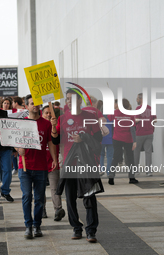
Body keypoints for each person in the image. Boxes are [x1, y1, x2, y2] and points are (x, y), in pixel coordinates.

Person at [51, 89, 103, 243]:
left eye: (72, 99)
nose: (68, 102)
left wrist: (84, 138)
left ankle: (91, 231)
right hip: (69, 164)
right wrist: (53, 128)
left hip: (87, 163)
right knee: (70, 198)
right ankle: (76, 228)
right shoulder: (62, 118)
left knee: (90, 197)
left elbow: (98, 138)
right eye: (67, 99)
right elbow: (55, 141)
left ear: (80, 100)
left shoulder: (90, 116)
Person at [17, 94, 58, 239]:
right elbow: (14, 140)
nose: (35, 105)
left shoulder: (46, 124)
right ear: (26, 106)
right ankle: (28, 226)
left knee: (40, 198)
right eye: (32, 103)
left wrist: (54, 158)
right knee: (27, 195)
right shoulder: (21, 123)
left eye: (37, 103)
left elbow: (50, 142)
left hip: (41, 166)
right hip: (25, 166)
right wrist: (17, 149)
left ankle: (37, 225)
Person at [41, 105, 65, 221]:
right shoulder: (38, 126)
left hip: (53, 162)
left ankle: (58, 210)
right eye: (46, 113)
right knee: (40, 188)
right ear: (42, 114)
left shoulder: (57, 127)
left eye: (51, 113)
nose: (49, 115)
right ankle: (42, 209)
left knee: (55, 188)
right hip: (40, 163)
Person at [108, 99, 138, 185]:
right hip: (128, 139)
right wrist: (134, 141)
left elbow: (109, 117)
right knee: (130, 159)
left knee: (116, 158)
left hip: (116, 138)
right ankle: (132, 178)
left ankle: (111, 176)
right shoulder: (130, 114)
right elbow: (132, 129)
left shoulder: (115, 112)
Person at [134, 93, 157, 176]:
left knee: (136, 152)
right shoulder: (151, 108)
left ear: (141, 99)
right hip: (149, 133)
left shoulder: (138, 108)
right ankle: (149, 171)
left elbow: (136, 120)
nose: (137, 100)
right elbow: (155, 120)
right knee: (148, 152)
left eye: (137, 98)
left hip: (139, 133)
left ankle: (136, 170)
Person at [97, 100, 114, 176]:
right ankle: (108, 171)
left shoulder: (100, 118)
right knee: (110, 155)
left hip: (102, 138)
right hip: (110, 139)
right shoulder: (111, 118)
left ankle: (101, 169)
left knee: (101, 154)